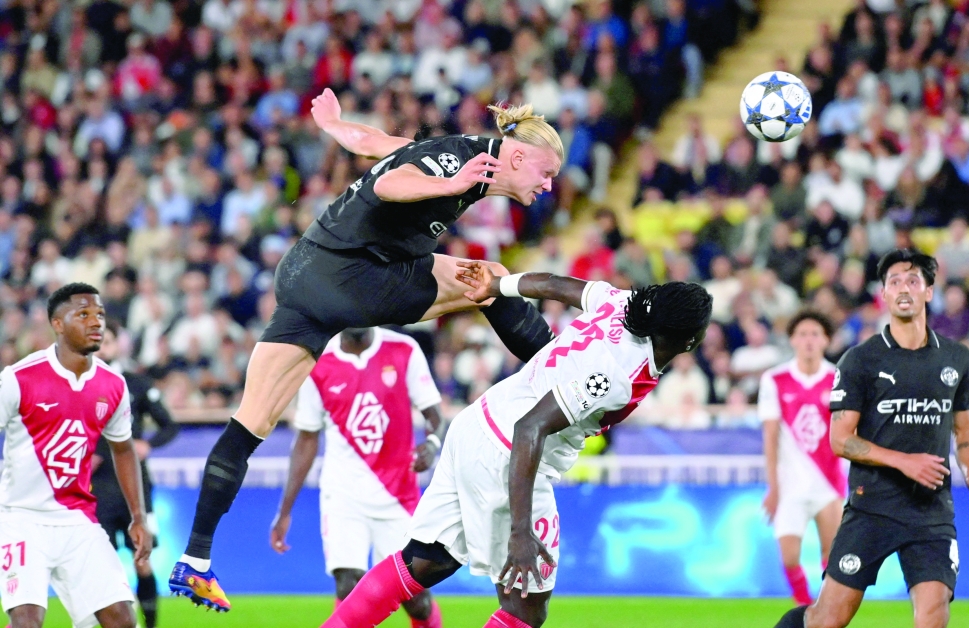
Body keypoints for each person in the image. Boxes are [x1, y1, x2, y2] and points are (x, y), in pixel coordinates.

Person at [170, 91, 564, 609]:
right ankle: (563, 368)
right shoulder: (465, 163)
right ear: (516, 157)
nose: (548, 184)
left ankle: (195, 559)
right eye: (546, 172)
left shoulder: (454, 152)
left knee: (251, 422)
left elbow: (378, 145)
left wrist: (335, 124)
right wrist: (451, 184)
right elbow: (388, 181)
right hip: (354, 277)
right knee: (485, 279)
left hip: (302, 272)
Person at [322, 264, 713, 628]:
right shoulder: (617, 377)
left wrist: (498, 285)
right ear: (690, 341)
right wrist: (521, 532)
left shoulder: (619, 302)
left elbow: (553, 285)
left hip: (476, 423)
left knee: (427, 560)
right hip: (509, 450)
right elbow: (530, 428)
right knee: (527, 607)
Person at [774, 249, 969, 628]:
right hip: (871, 506)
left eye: (913, 281)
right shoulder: (860, 360)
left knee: (933, 615)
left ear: (929, 292)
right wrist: (904, 461)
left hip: (931, 511)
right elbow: (841, 440)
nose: (904, 288)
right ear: (884, 295)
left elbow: (963, 430)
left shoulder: (957, 358)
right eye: (894, 282)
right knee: (827, 619)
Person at [269, 328, 445, 628]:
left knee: (415, 599)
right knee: (348, 585)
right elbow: (307, 439)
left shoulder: (403, 349)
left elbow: (435, 417)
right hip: (343, 494)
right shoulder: (318, 362)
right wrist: (284, 511)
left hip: (397, 496)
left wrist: (432, 444)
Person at [0, 283, 152, 628]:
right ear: (57, 323)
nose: (95, 322)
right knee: (26, 621)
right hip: (21, 518)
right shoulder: (19, 378)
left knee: (123, 621)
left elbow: (124, 448)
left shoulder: (113, 385)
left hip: (78, 521)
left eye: (99, 314)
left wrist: (138, 516)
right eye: (82, 314)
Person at [92, 320, 179, 628]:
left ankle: (150, 623)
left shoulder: (136, 384)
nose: (103, 348)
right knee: (103, 564)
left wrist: (147, 443)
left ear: (120, 345)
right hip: (96, 488)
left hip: (135, 484)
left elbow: (168, 424)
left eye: (109, 341)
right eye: (99, 341)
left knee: (142, 560)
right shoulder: (80, 384)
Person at [759, 311, 845, 606]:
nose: (809, 340)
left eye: (815, 334)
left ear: (826, 340)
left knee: (832, 556)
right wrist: (773, 486)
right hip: (791, 484)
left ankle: (826, 613)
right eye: (803, 334)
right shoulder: (775, 379)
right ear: (792, 340)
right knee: (790, 556)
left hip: (829, 483)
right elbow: (770, 436)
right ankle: (804, 606)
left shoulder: (838, 378)